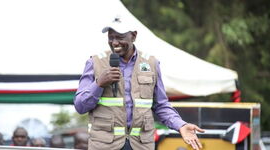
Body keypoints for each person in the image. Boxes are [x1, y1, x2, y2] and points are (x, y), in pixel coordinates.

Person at [74, 16, 204, 150]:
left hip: (141, 145)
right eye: (111, 37)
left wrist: (180, 125)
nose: (114, 43)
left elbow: (161, 105)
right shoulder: (94, 62)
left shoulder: (151, 63)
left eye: (120, 37)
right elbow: (80, 106)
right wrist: (99, 84)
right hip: (104, 145)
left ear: (133, 36)